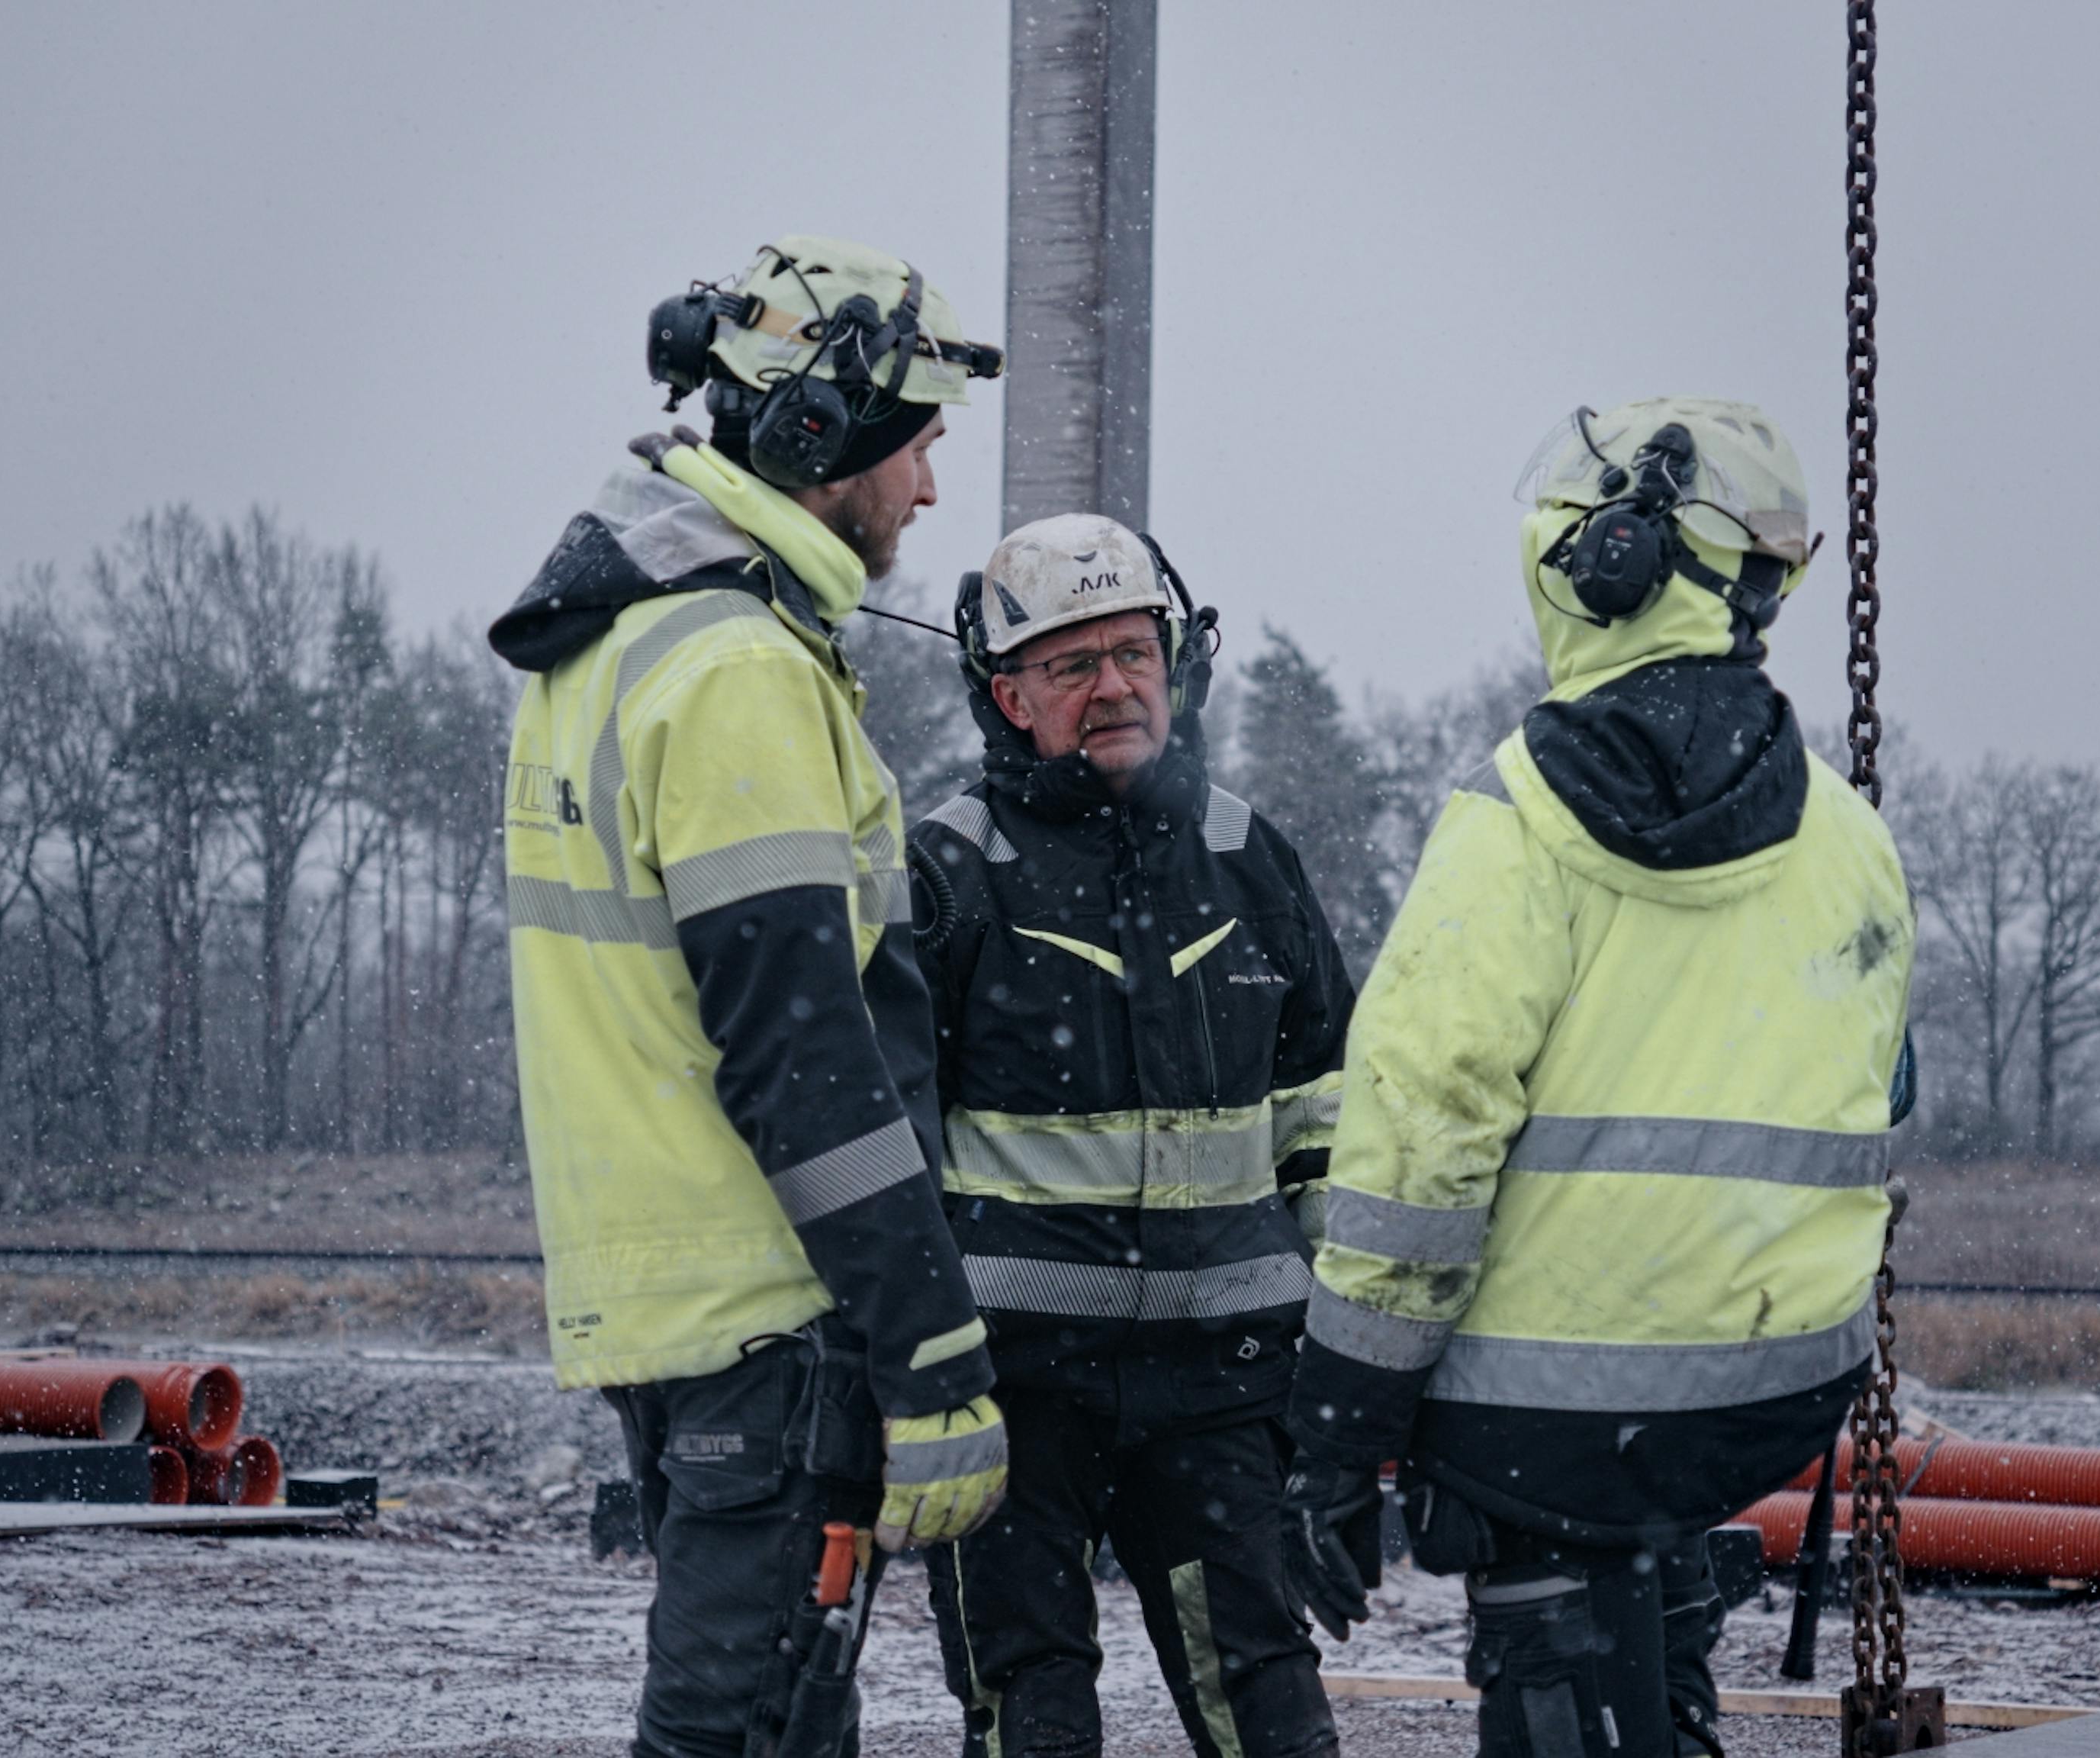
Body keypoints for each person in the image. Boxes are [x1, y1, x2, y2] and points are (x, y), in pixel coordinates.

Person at [1276, 398, 1915, 1758]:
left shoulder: (1514, 827)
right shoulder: (1852, 834)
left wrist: (1342, 1430)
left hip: (1537, 1414)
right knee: (1648, 1577)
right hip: (1775, 1386)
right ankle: (1667, 1671)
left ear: (1608, 558)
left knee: (1552, 1641)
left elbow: (1417, 1156)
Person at [490, 234, 1015, 1758]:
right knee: (741, 1730)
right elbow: (801, 1052)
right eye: (918, 447)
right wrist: (930, 1355)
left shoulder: (609, 646)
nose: (926, 488)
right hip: (768, 1315)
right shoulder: (734, 671)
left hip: (664, 1290)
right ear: (818, 436)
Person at [906, 513, 1354, 1758]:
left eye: (1133, 653)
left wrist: (1346, 1372)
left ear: (1178, 660)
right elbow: (894, 1139)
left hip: (1225, 1382)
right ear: (1008, 696)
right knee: (1031, 1702)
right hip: (1016, 1388)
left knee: (1269, 1698)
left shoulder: (1248, 856)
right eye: (1070, 664)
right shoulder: (949, 870)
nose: (1113, 687)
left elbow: (1325, 1116)